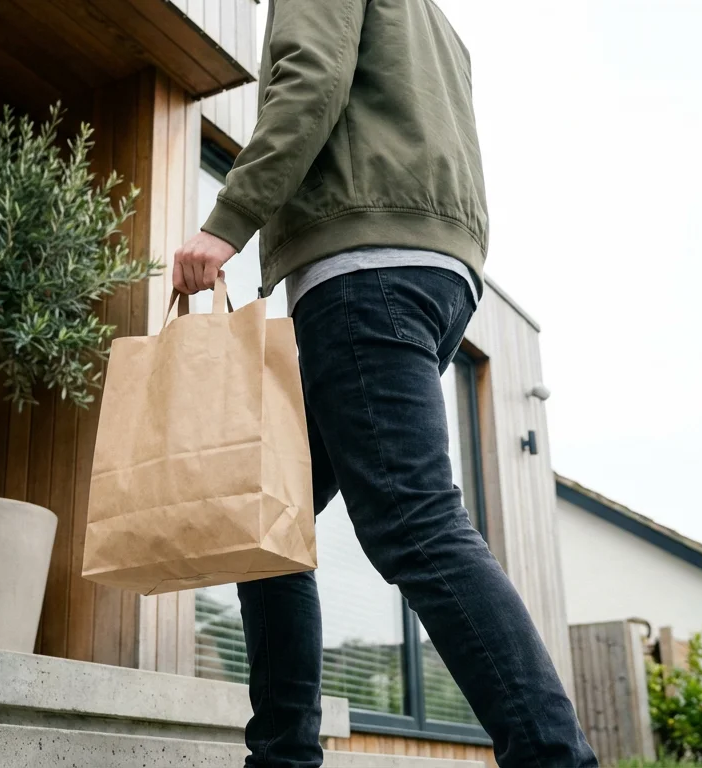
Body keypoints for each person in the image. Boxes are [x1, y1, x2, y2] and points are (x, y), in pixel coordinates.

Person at [173, 2, 598, 766]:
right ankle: (283, 756)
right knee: (270, 527)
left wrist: (226, 222)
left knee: (412, 520)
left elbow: (309, 83)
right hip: (435, 272)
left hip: (362, 271)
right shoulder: (439, 26)